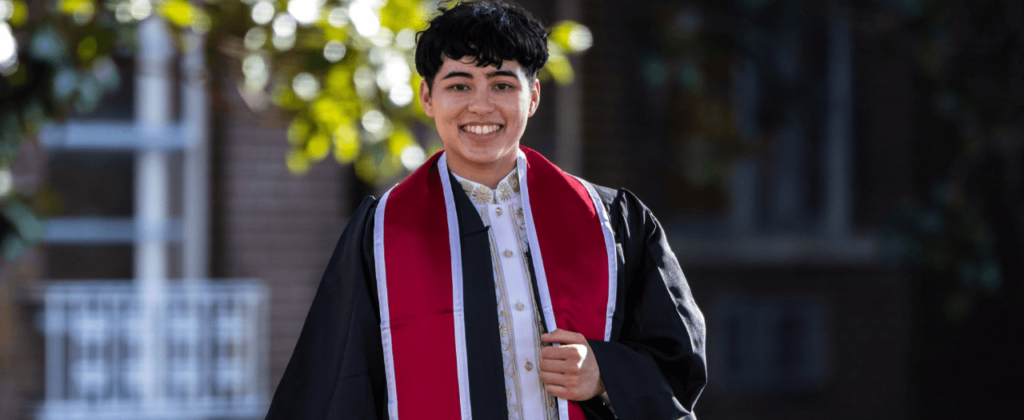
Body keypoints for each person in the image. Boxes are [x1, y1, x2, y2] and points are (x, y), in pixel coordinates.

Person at [265, 1, 707, 419]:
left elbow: (678, 361)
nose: (480, 105)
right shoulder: (380, 235)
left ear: (532, 97)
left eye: (502, 84)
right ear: (427, 98)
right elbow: (332, 389)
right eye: (459, 85)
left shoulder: (613, 222)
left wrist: (606, 375)